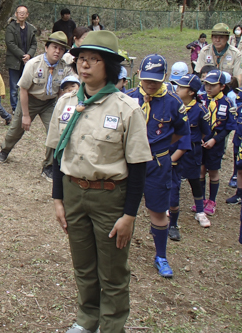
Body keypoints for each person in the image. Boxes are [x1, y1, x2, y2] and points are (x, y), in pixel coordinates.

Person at [46, 30, 151, 333]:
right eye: (82, 59)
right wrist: (58, 199)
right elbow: (58, 153)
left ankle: (112, 326)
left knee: (112, 270)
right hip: (73, 193)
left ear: (110, 67)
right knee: (83, 266)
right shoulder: (66, 103)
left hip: (110, 198)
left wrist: (129, 215)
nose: (85, 65)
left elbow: (139, 166)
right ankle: (86, 319)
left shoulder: (125, 108)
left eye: (95, 60)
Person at [126, 55, 190, 278]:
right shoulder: (129, 98)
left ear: (164, 78)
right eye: (146, 80)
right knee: (123, 208)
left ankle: (161, 256)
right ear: (139, 77)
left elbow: (182, 133)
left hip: (157, 163)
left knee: (158, 209)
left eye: (155, 80)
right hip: (130, 163)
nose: (150, 84)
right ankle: (118, 251)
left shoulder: (173, 102)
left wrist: (160, 148)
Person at [0, 32, 71, 182]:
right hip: (30, 100)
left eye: (61, 49)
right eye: (54, 47)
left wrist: (61, 111)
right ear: (46, 47)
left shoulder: (64, 67)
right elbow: (23, 89)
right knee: (17, 128)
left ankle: (48, 166)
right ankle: (5, 149)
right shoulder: (34, 64)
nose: (57, 51)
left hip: (49, 103)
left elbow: (62, 91)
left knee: (56, 131)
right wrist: (25, 115)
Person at [171, 74, 211, 229]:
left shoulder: (200, 110)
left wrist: (194, 141)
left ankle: (200, 210)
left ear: (191, 92)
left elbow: (204, 131)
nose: (177, 89)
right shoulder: (174, 105)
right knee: (173, 179)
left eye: (181, 87)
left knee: (194, 179)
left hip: (192, 150)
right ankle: (171, 206)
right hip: (175, 147)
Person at [196, 70, 236, 216]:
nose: (208, 88)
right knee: (200, 170)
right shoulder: (201, 99)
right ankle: (201, 199)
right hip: (202, 141)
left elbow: (229, 128)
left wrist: (215, 140)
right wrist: (199, 136)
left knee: (213, 171)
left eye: (212, 85)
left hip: (216, 143)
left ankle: (212, 201)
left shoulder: (227, 102)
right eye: (206, 84)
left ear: (222, 86)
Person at [5, 5, 38, 113]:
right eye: (20, 12)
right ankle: (15, 108)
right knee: (14, 87)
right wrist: (22, 55)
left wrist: (29, 55)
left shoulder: (31, 29)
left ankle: (26, 106)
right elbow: (10, 43)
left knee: (27, 85)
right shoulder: (10, 28)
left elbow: (34, 44)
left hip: (27, 62)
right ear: (16, 14)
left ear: (27, 15)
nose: (22, 14)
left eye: (24, 12)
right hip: (14, 61)